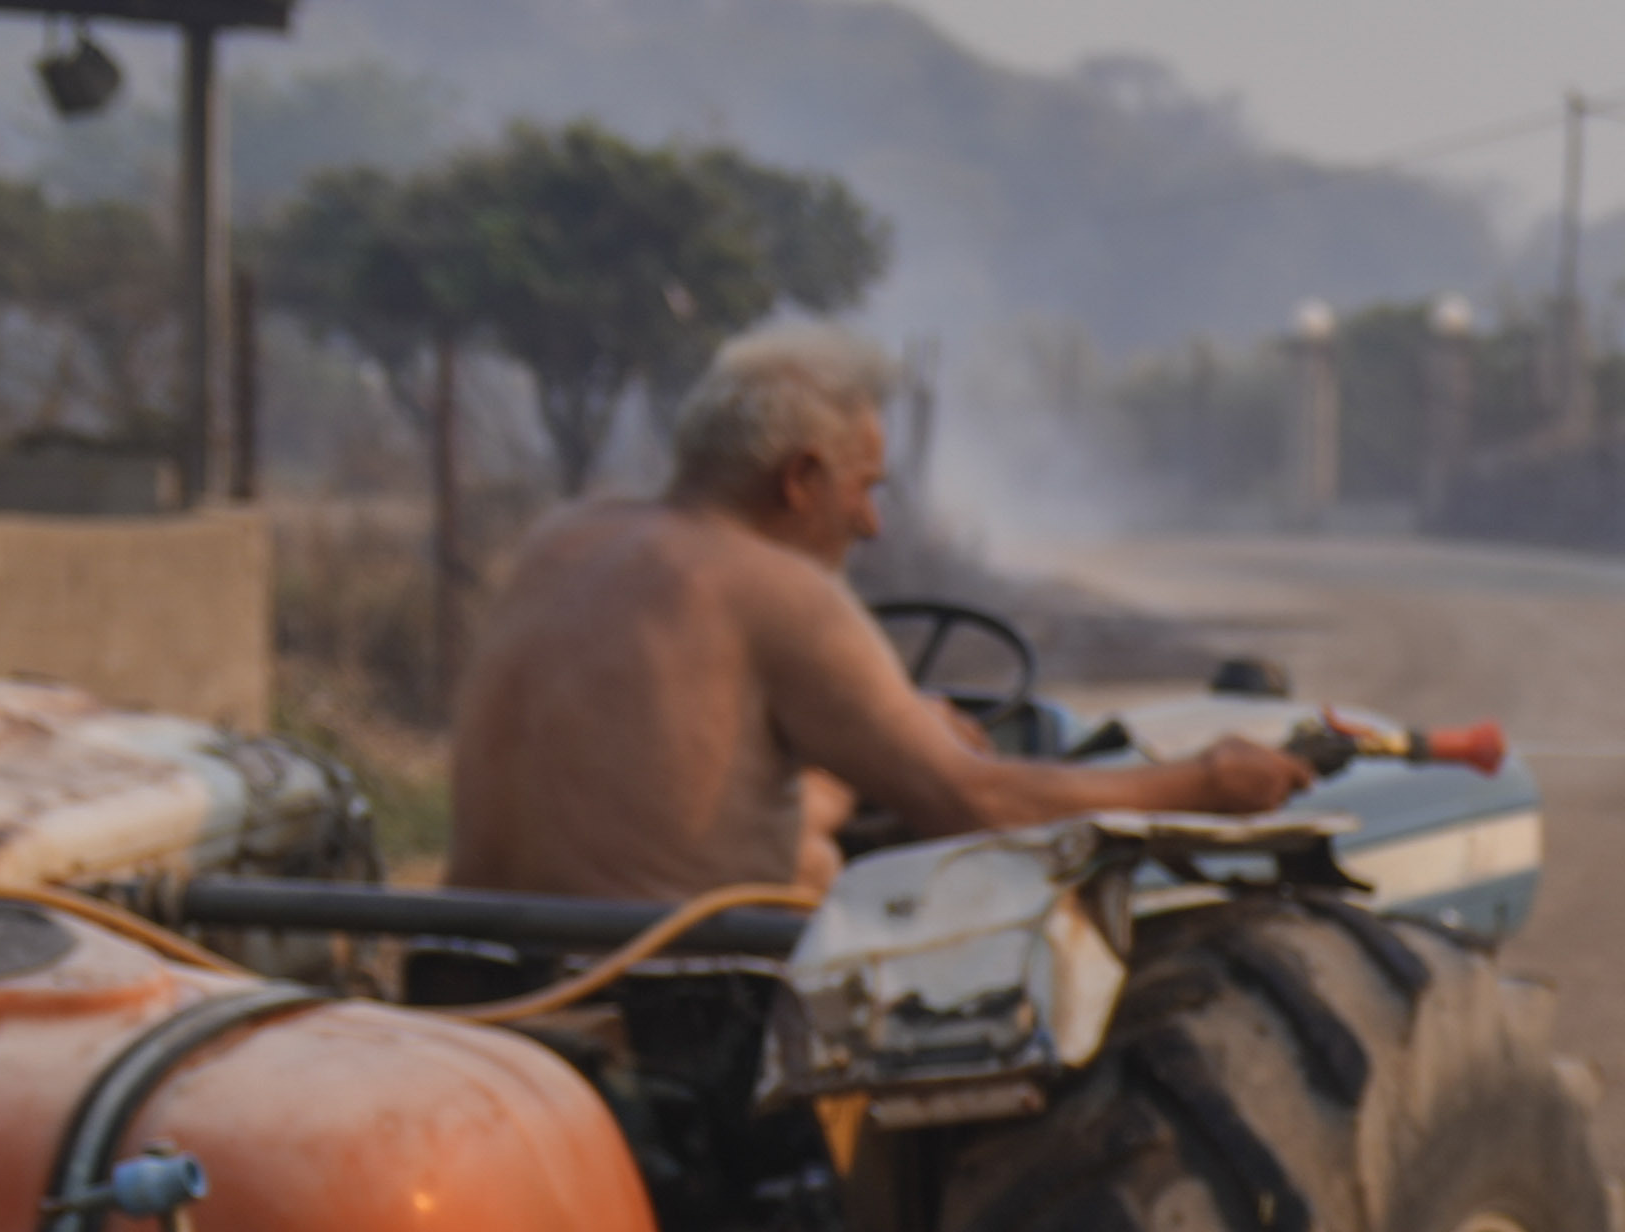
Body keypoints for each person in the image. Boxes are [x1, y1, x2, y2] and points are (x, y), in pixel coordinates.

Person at [433, 323, 1300, 905]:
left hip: (481, 970)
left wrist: (857, 760)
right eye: (863, 489)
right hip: (673, 1010)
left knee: (811, 848)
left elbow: (665, 782)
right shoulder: (781, 589)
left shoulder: (563, 538)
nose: (871, 523)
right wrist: (1205, 785)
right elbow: (978, 804)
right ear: (799, 478)